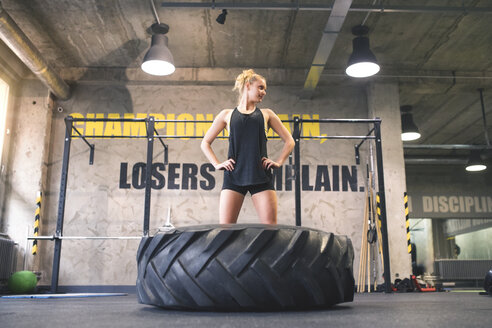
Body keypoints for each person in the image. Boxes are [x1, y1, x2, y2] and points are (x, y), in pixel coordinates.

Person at [201, 69, 295, 224]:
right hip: (233, 177)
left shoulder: (267, 114)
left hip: (261, 177)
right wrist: (217, 164)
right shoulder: (227, 115)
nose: (264, 92)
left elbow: (289, 141)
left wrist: (279, 162)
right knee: (226, 231)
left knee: (270, 230)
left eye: (265, 89)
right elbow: (205, 143)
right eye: (261, 87)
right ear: (247, 85)